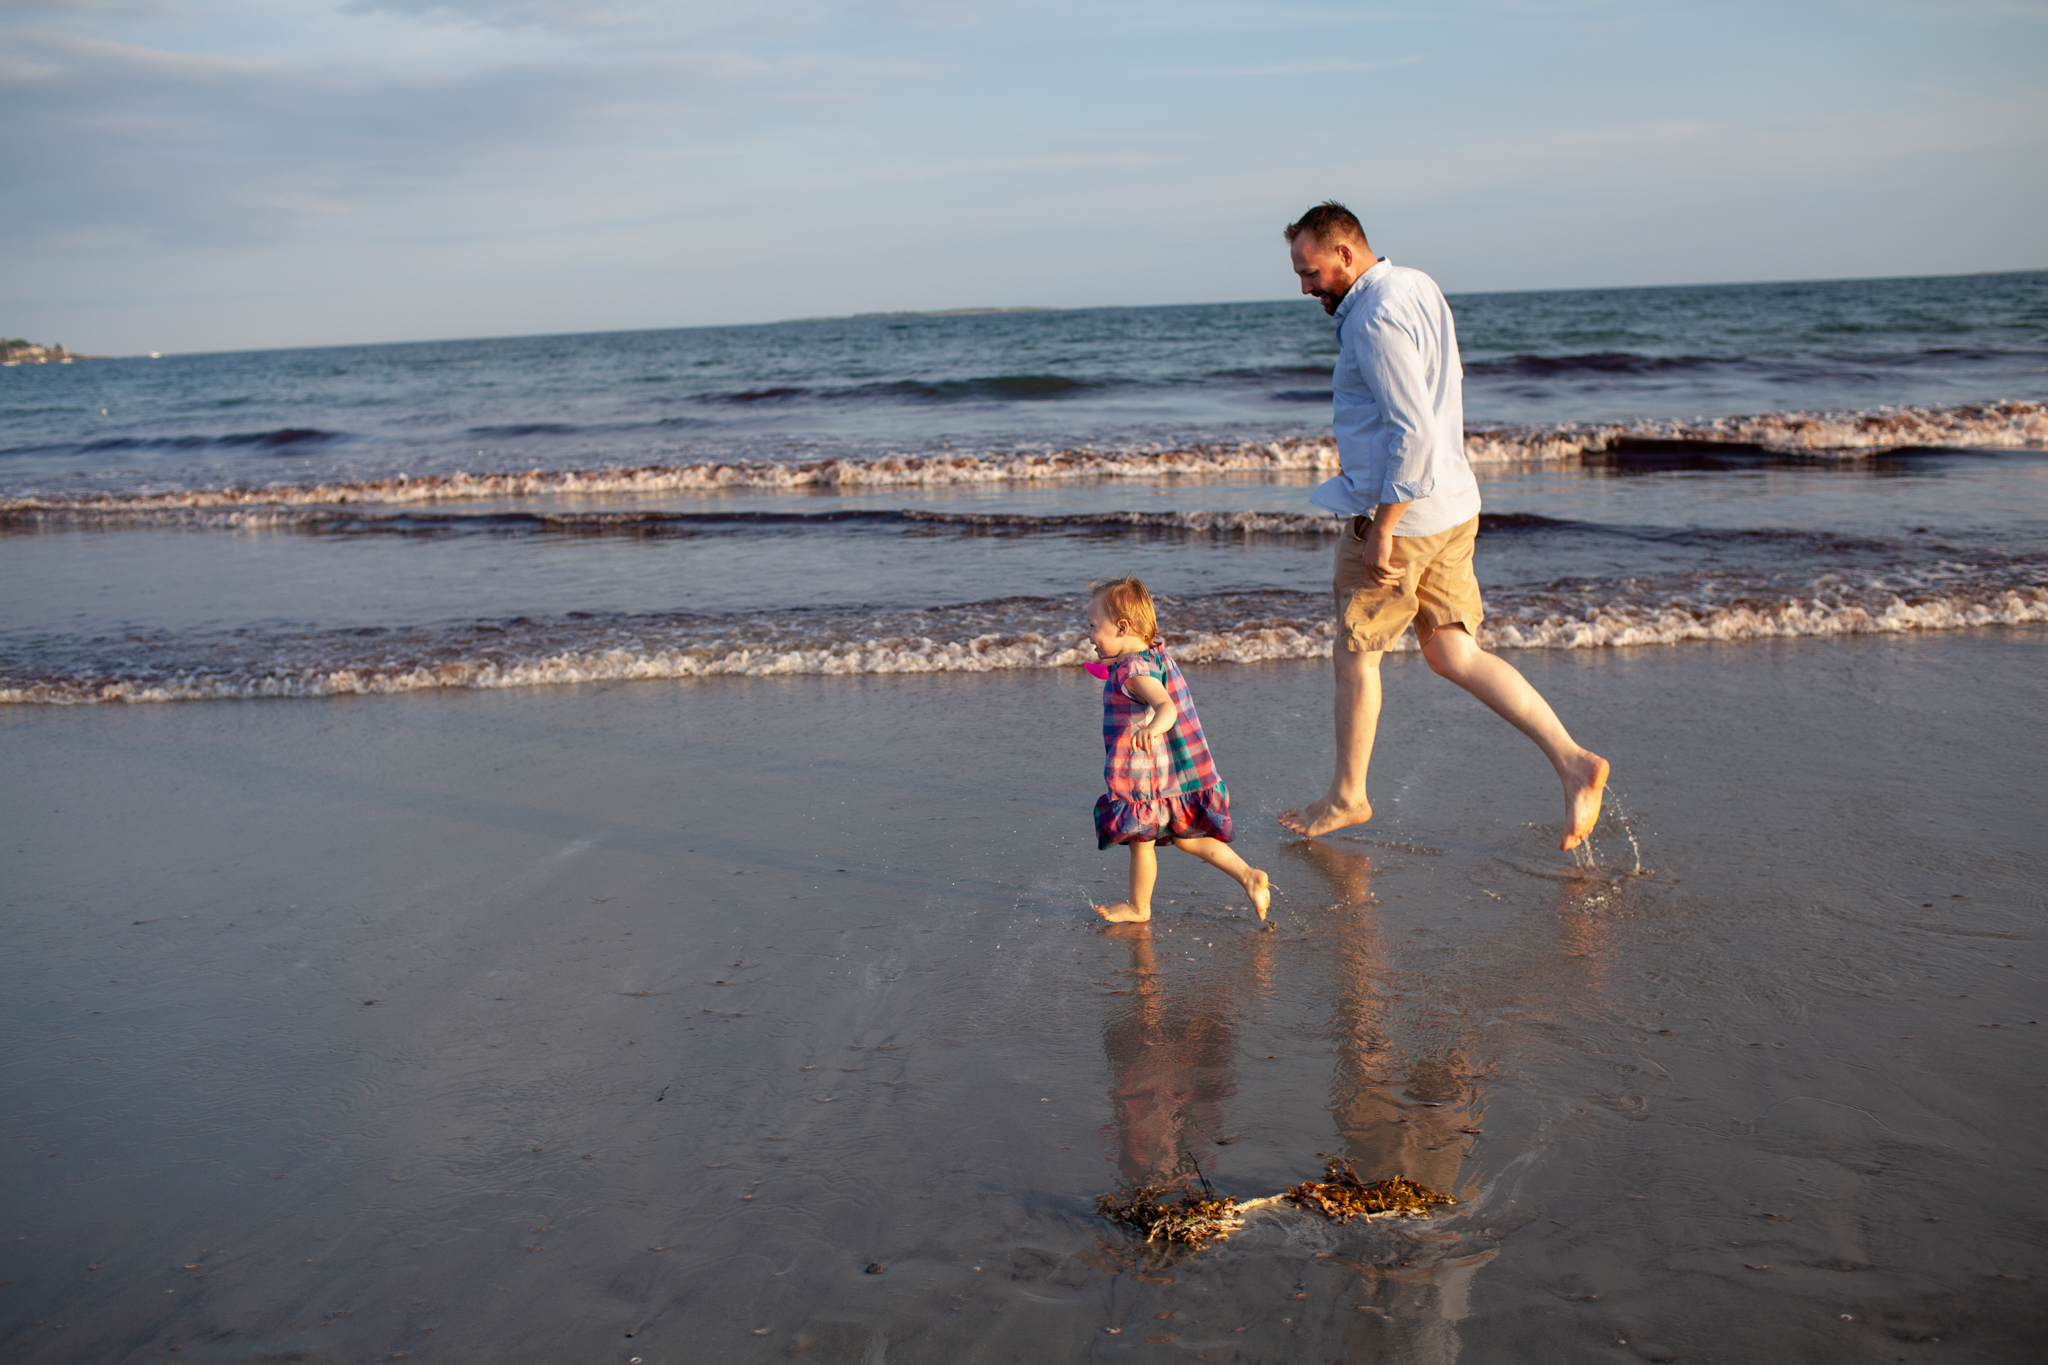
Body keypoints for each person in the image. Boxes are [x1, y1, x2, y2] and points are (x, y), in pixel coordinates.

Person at [1275, 201, 1609, 850]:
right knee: (1453, 650)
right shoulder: (1417, 284)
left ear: (1345, 253)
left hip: (1406, 517)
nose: (1306, 287)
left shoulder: (1371, 320)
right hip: (1454, 502)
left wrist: (1382, 528)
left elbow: (1412, 430)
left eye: (1311, 271)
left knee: (1355, 653)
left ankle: (1348, 795)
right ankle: (1573, 761)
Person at [1085, 576, 1273, 923]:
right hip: (1174, 774)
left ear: (1122, 627)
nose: (1089, 634)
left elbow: (1165, 706)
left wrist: (1155, 726)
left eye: (1094, 626)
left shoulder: (1134, 672)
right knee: (1188, 839)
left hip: (1148, 779)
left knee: (1141, 843)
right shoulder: (1150, 655)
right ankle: (1249, 875)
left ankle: (1139, 908)